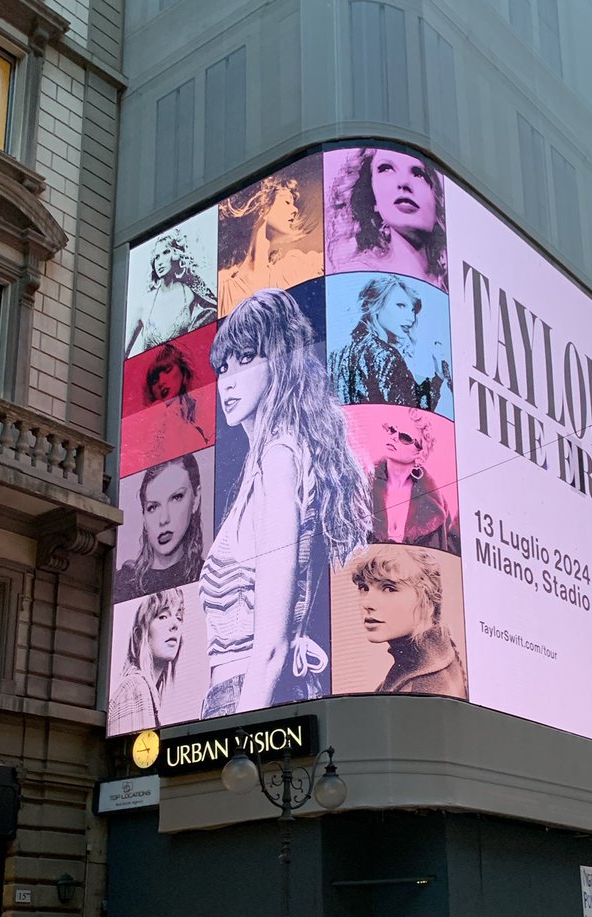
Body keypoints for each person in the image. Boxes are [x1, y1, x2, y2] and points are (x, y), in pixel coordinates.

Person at [200, 288, 371, 717]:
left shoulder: (279, 458)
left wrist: (239, 739)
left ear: (280, 360)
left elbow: (272, 645)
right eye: (223, 367)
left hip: (248, 697)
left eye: (247, 358)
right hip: (242, 693)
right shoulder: (268, 460)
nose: (230, 380)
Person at [351, 545, 467, 697]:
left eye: (389, 588)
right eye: (364, 587)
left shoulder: (416, 686)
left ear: (428, 598)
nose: (367, 603)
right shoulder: (442, 649)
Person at [326, 147, 447, 290]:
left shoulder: (452, 285)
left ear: (437, 200)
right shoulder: (359, 278)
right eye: (386, 169)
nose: (404, 183)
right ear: (372, 198)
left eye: (419, 174)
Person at [218, 168, 323, 313]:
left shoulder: (295, 268)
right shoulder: (223, 290)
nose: (295, 210)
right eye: (287, 202)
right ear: (263, 203)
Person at [114, 455, 204, 603]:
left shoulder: (208, 575)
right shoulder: (122, 584)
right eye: (153, 507)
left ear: (196, 498)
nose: (163, 519)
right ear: (144, 515)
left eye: (176, 498)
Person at [330, 276, 429, 407]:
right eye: (400, 306)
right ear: (375, 305)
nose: (411, 318)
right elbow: (412, 416)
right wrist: (436, 380)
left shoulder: (337, 354)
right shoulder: (387, 357)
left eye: (412, 310)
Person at [369, 412, 460, 553]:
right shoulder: (360, 487)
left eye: (405, 437)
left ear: (420, 452)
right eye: (393, 430)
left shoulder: (435, 505)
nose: (394, 437)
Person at [125, 229, 217, 357]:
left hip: (182, 370)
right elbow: (123, 357)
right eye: (156, 257)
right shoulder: (144, 304)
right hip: (151, 372)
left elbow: (214, 309)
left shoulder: (190, 293)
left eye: (165, 253)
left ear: (176, 254)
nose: (160, 261)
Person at [108, 589, 185, 735]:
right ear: (139, 635)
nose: (175, 624)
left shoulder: (145, 690)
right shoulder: (134, 688)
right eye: (162, 616)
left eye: (179, 617)